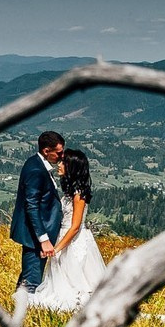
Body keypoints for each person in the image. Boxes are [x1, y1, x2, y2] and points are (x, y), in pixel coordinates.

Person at [30, 147, 106, 311]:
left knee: (75, 276)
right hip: (64, 236)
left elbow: (75, 226)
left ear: (72, 167)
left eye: (63, 162)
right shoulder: (71, 192)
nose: (59, 164)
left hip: (73, 239)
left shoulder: (78, 194)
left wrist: (56, 249)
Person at [10, 130, 65, 293]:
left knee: (28, 276)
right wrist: (44, 239)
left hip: (36, 236)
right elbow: (31, 206)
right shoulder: (36, 170)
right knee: (32, 282)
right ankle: (25, 314)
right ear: (46, 151)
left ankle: (16, 304)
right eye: (59, 153)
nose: (61, 157)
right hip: (35, 238)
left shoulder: (35, 164)